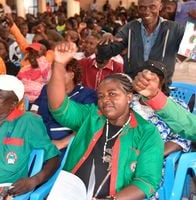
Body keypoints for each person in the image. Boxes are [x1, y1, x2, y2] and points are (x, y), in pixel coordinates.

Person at [47, 42, 164, 199]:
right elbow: (58, 107)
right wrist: (59, 64)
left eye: (112, 94)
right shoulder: (92, 116)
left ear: (129, 97)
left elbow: (147, 181)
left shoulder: (147, 133)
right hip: (70, 192)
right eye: (101, 96)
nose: (105, 100)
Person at [131, 60, 191, 199]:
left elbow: (183, 138)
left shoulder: (176, 106)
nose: (147, 80)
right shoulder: (129, 101)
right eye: (144, 76)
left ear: (162, 81)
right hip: (123, 154)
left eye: (153, 77)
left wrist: (151, 153)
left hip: (154, 162)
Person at [98, 0, 184, 94]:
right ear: (138, 8)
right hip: (133, 91)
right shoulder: (130, 28)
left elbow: (191, 52)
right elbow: (105, 53)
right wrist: (105, 38)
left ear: (160, 6)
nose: (147, 11)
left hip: (161, 92)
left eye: (152, 7)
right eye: (142, 7)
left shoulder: (175, 29)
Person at [31, 58, 97, 156]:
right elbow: (35, 108)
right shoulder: (47, 89)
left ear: (71, 75)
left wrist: (62, 143)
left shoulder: (87, 95)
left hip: (66, 147)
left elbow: (88, 126)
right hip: (40, 140)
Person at [133, 69, 196, 141]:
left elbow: (188, 131)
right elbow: (190, 126)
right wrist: (154, 96)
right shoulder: (133, 101)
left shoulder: (179, 103)